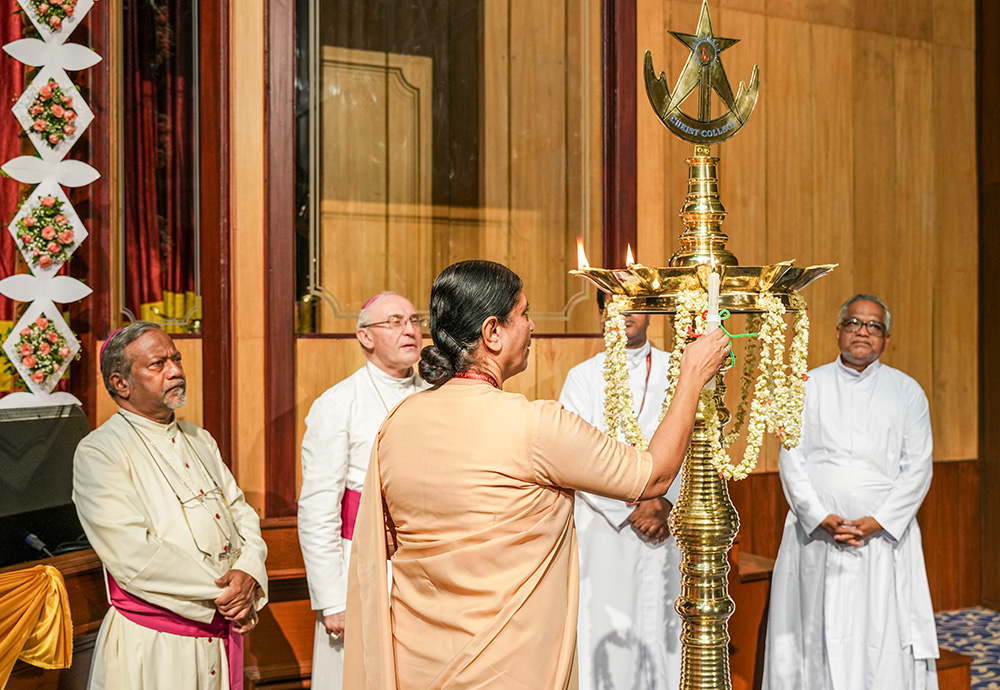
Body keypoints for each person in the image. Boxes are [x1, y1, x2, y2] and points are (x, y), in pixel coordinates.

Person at [343, 260, 730, 689]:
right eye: (524, 314)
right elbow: (652, 477)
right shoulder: (535, 426)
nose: (531, 328)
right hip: (508, 667)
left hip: (416, 662)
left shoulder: (398, 422)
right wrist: (693, 374)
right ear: (492, 332)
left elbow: (389, 543)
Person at [73, 322, 268, 689]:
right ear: (120, 383)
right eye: (157, 364)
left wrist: (249, 572)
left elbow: (241, 512)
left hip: (218, 630)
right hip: (155, 644)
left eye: (175, 359)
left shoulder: (199, 437)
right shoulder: (99, 452)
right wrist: (227, 592)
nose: (176, 370)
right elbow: (134, 554)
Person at [762, 294, 938, 690]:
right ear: (838, 332)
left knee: (880, 638)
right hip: (818, 538)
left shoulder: (907, 392)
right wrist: (819, 517)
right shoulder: (806, 385)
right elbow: (792, 460)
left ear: (886, 339)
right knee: (813, 637)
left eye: (874, 326)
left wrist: (877, 522)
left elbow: (918, 467)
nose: (863, 331)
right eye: (854, 323)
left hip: (882, 542)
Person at [298, 292, 428, 689]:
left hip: (425, 558)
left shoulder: (437, 393)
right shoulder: (337, 404)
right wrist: (332, 599)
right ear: (365, 337)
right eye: (394, 322)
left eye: (414, 320)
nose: (409, 329)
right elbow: (318, 508)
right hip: (362, 561)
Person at [559, 292, 681, 690]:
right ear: (600, 313)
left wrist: (664, 501)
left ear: (651, 313)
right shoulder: (583, 377)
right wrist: (630, 508)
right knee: (606, 624)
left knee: (664, 630)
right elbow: (573, 457)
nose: (625, 314)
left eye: (635, 305)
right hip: (604, 527)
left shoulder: (677, 370)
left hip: (666, 525)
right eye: (612, 305)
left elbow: (697, 442)